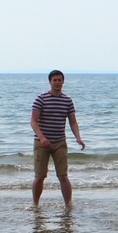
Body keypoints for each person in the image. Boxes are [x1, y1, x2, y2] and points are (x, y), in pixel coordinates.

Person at [31, 70, 86, 207]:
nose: (57, 82)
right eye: (54, 80)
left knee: (63, 175)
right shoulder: (41, 98)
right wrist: (42, 138)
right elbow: (33, 121)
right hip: (41, 143)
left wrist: (78, 138)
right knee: (40, 176)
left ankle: (68, 205)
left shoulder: (67, 100)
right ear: (50, 81)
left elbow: (73, 121)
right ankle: (35, 205)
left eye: (59, 80)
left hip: (59, 142)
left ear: (63, 81)